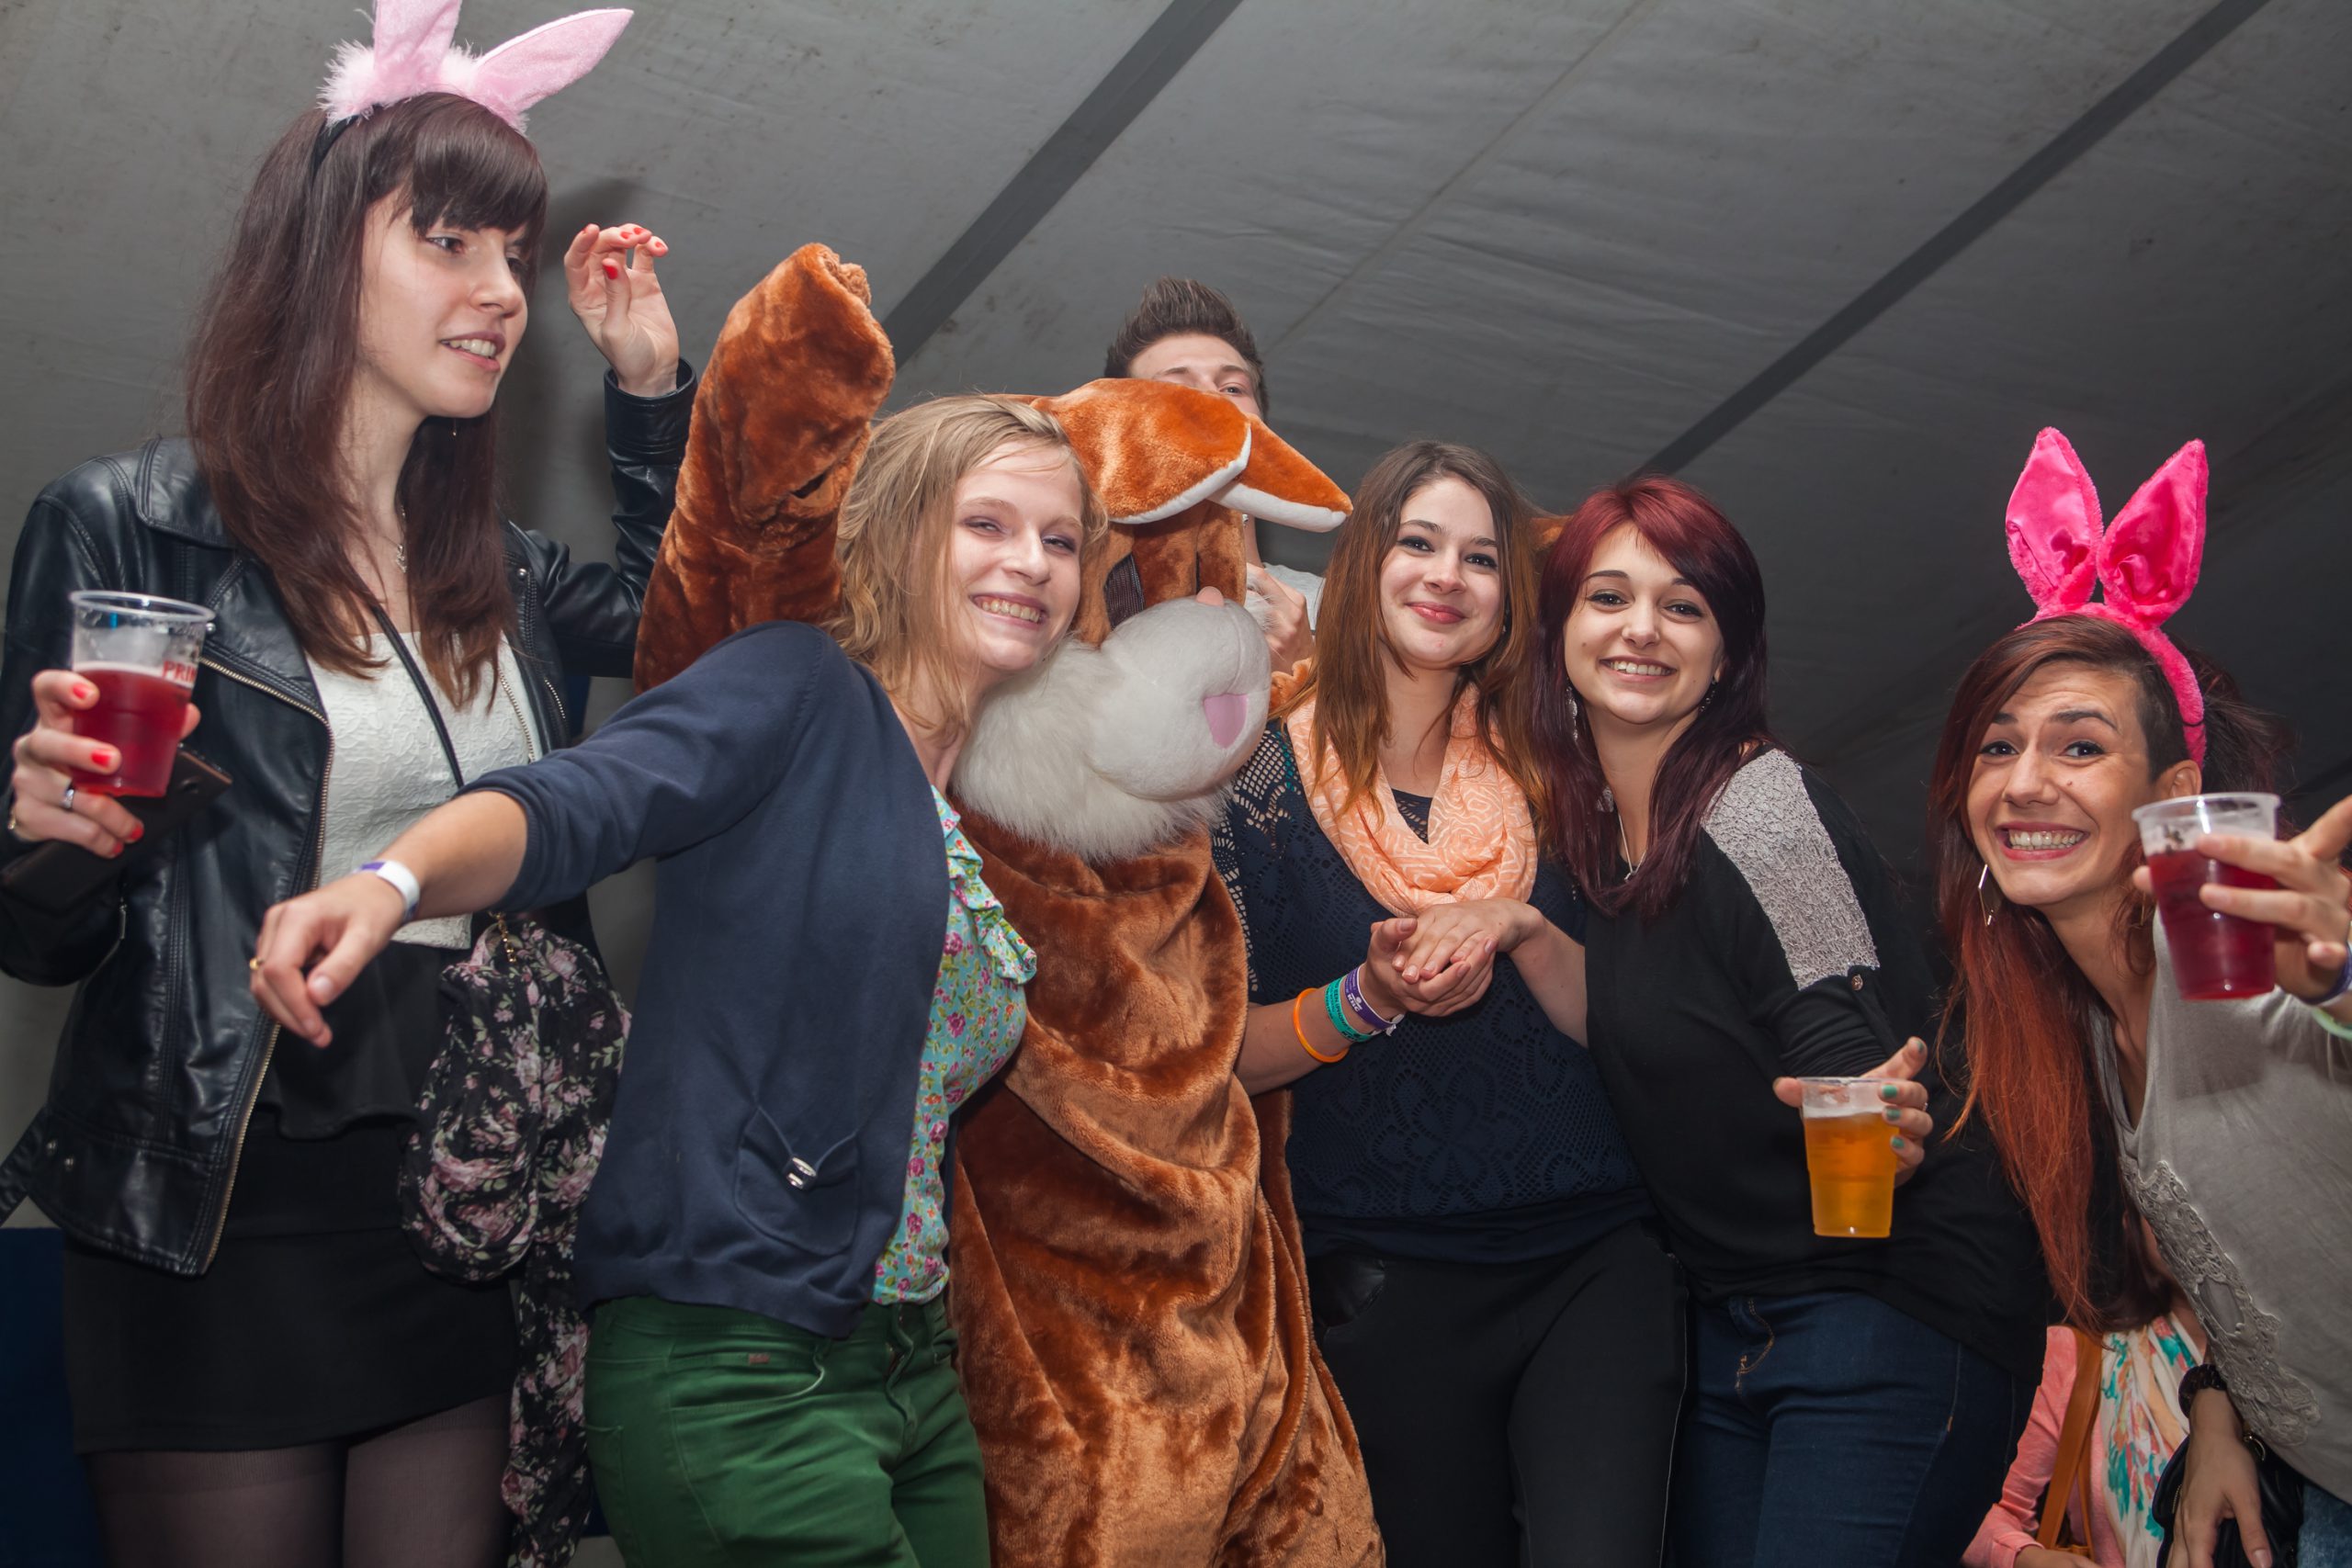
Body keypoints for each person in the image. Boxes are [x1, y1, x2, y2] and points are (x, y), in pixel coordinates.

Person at [0, 6, 684, 1556]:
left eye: (514, 256)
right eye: (449, 242)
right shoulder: (125, 526)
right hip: (220, 1200)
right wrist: (52, 838)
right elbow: (39, 934)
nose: (499, 291)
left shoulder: (501, 567)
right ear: (321, 252)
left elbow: (697, 639)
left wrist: (649, 397)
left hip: (462, 1195)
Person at [250, 395, 1103, 1566]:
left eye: (1060, 540)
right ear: (899, 533)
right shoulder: (796, 686)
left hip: (909, 1362)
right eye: (988, 524)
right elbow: (581, 800)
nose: (1032, 563)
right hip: (739, 1364)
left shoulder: (957, 806)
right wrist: (396, 880)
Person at [1386, 473, 2047, 1566]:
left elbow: (1848, 1048)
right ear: (1557, 636)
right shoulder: (1610, 830)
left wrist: (1877, 1119)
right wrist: (1525, 930)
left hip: (1884, 1312)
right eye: (1608, 598)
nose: (1641, 629)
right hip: (1737, 1324)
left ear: (1727, 653)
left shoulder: (1761, 808)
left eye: (1682, 606)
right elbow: (1649, 1023)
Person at [1212, 442, 1681, 1567]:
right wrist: (1365, 998)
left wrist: (1525, 929)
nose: (1446, 576)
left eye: (1478, 557)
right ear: (1363, 564)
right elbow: (1215, 1054)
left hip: (1592, 1255)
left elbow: (1638, 1021)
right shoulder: (1256, 781)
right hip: (1382, 1278)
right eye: (1418, 543)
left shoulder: (1561, 770)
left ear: (1508, 594)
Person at [1928, 428, 2352, 1566]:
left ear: (2173, 793)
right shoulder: (2067, 1024)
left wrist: (2342, 970)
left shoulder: (2227, 950)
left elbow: (2316, 1003)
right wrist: (2220, 1406)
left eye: (2078, 748)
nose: (2024, 782)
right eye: (1996, 747)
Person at [1965, 1224, 2207, 1568]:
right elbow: (1977, 1513)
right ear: (2132, 1222)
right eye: (2168, 1203)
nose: (2191, 1220)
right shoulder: (2078, 1361)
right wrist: (2031, 1559)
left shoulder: (2280, 1388)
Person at [1104, 276, 1317, 663]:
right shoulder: (1081, 600)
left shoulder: (1335, 609)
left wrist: (1308, 666)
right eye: (1178, 389)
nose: (1212, 400)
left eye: (1233, 388)